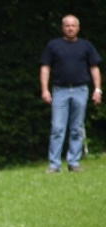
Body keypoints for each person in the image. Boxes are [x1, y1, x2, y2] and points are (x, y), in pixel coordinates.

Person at [40, 14, 102, 173]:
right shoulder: (53, 45)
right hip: (60, 91)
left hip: (81, 90)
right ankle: (54, 164)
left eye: (73, 25)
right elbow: (45, 67)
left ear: (78, 28)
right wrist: (45, 90)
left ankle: (73, 162)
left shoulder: (86, 46)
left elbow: (94, 68)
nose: (70, 28)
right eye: (67, 25)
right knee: (57, 128)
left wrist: (97, 89)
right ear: (62, 28)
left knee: (77, 128)